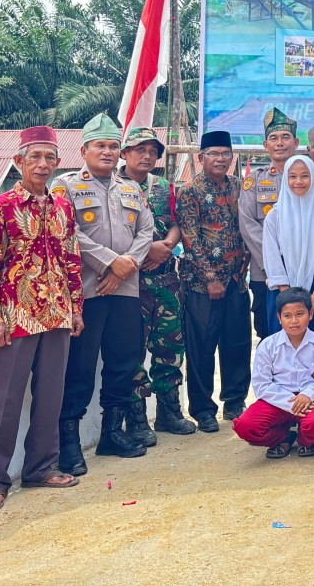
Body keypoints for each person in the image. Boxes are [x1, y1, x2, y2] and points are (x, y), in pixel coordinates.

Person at [0, 126, 83, 512]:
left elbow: (72, 260)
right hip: (14, 316)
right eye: (34, 156)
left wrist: (76, 309)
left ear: (58, 162)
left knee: (51, 395)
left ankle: (40, 467)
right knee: (3, 400)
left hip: (57, 313)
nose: (42, 164)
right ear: (19, 161)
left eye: (49, 157)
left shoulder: (63, 207)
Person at [55, 113, 154, 475]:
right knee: (80, 366)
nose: (108, 152)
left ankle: (112, 434)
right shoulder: (65, 186)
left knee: (123, 362)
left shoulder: (131, 188)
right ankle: (68, 443)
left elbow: (146, 230)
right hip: (87, 290)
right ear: (84, 150)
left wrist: (128, 264)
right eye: (100, 145)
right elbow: (67, 231)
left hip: (126, 289)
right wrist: (112, 263)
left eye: (113, 146)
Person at [119, 127, 195, 444]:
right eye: (140, 149)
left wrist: (166, 246)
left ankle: (169, 412)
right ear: (125, 153)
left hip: (165, 279)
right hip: (131, 282)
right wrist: (145, 251)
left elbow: (176, 223)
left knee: (170, 346)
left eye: (152, 151)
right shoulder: (113, 186)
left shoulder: (164, 187)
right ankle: (137, 418)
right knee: (133, 350)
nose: (147, 156)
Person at [176, 130, 252, 433]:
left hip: (236, 280)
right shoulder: (190, 191)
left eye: (225, 153)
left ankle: (235, 402)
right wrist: (210, 278)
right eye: (213, 153)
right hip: (202, 285)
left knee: (238, 344)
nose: (220, 159)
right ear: (201, 157)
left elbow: (247, 225)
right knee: (202, 348)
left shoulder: (238, 186)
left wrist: (248, 255)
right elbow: (190, 239)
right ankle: (203, 409)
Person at [231, 288, 314, 459]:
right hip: (277, 400)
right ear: (279, 318)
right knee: (245, 427)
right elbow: (261, 384)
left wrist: (308, 395)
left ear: (310, 314)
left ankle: (305, 440)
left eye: (300, 314)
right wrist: (291, 403)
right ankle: (283, 437)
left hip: (310, 400)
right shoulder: (267, 346)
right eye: (287, 316)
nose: (294, 321)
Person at [263, 154, 314, 340]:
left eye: (305, 176)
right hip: (282, 289)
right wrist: (288, 297)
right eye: (293, 176)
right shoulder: (274, 216)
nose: (299, 181)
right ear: (285, 179)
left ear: (313, 178)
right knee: (282, 347)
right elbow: (272, 258)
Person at [239, 106, 299, 338]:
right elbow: (247, 224)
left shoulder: (308, 178)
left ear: (295, 142)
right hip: (265, 274)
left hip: (302, 269)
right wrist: (276, 261)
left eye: (285, 137)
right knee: (269, 335)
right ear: (266, 145)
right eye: (273, 138)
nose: (279, 143)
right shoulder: (254, 180)